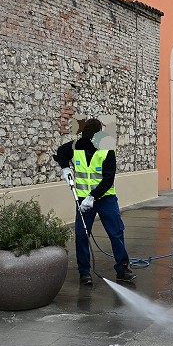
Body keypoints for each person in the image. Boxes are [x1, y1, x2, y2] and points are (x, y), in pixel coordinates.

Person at [54, 118, 135, 285]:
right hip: (83, 199)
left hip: (105, 198)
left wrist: (93, 197)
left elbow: (108, 178)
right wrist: (65, 168)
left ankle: (123, 269)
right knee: (81, 235)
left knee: (116, 233)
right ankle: (84, 273)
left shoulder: (107, 150)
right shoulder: (76, 146)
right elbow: (60, 153)